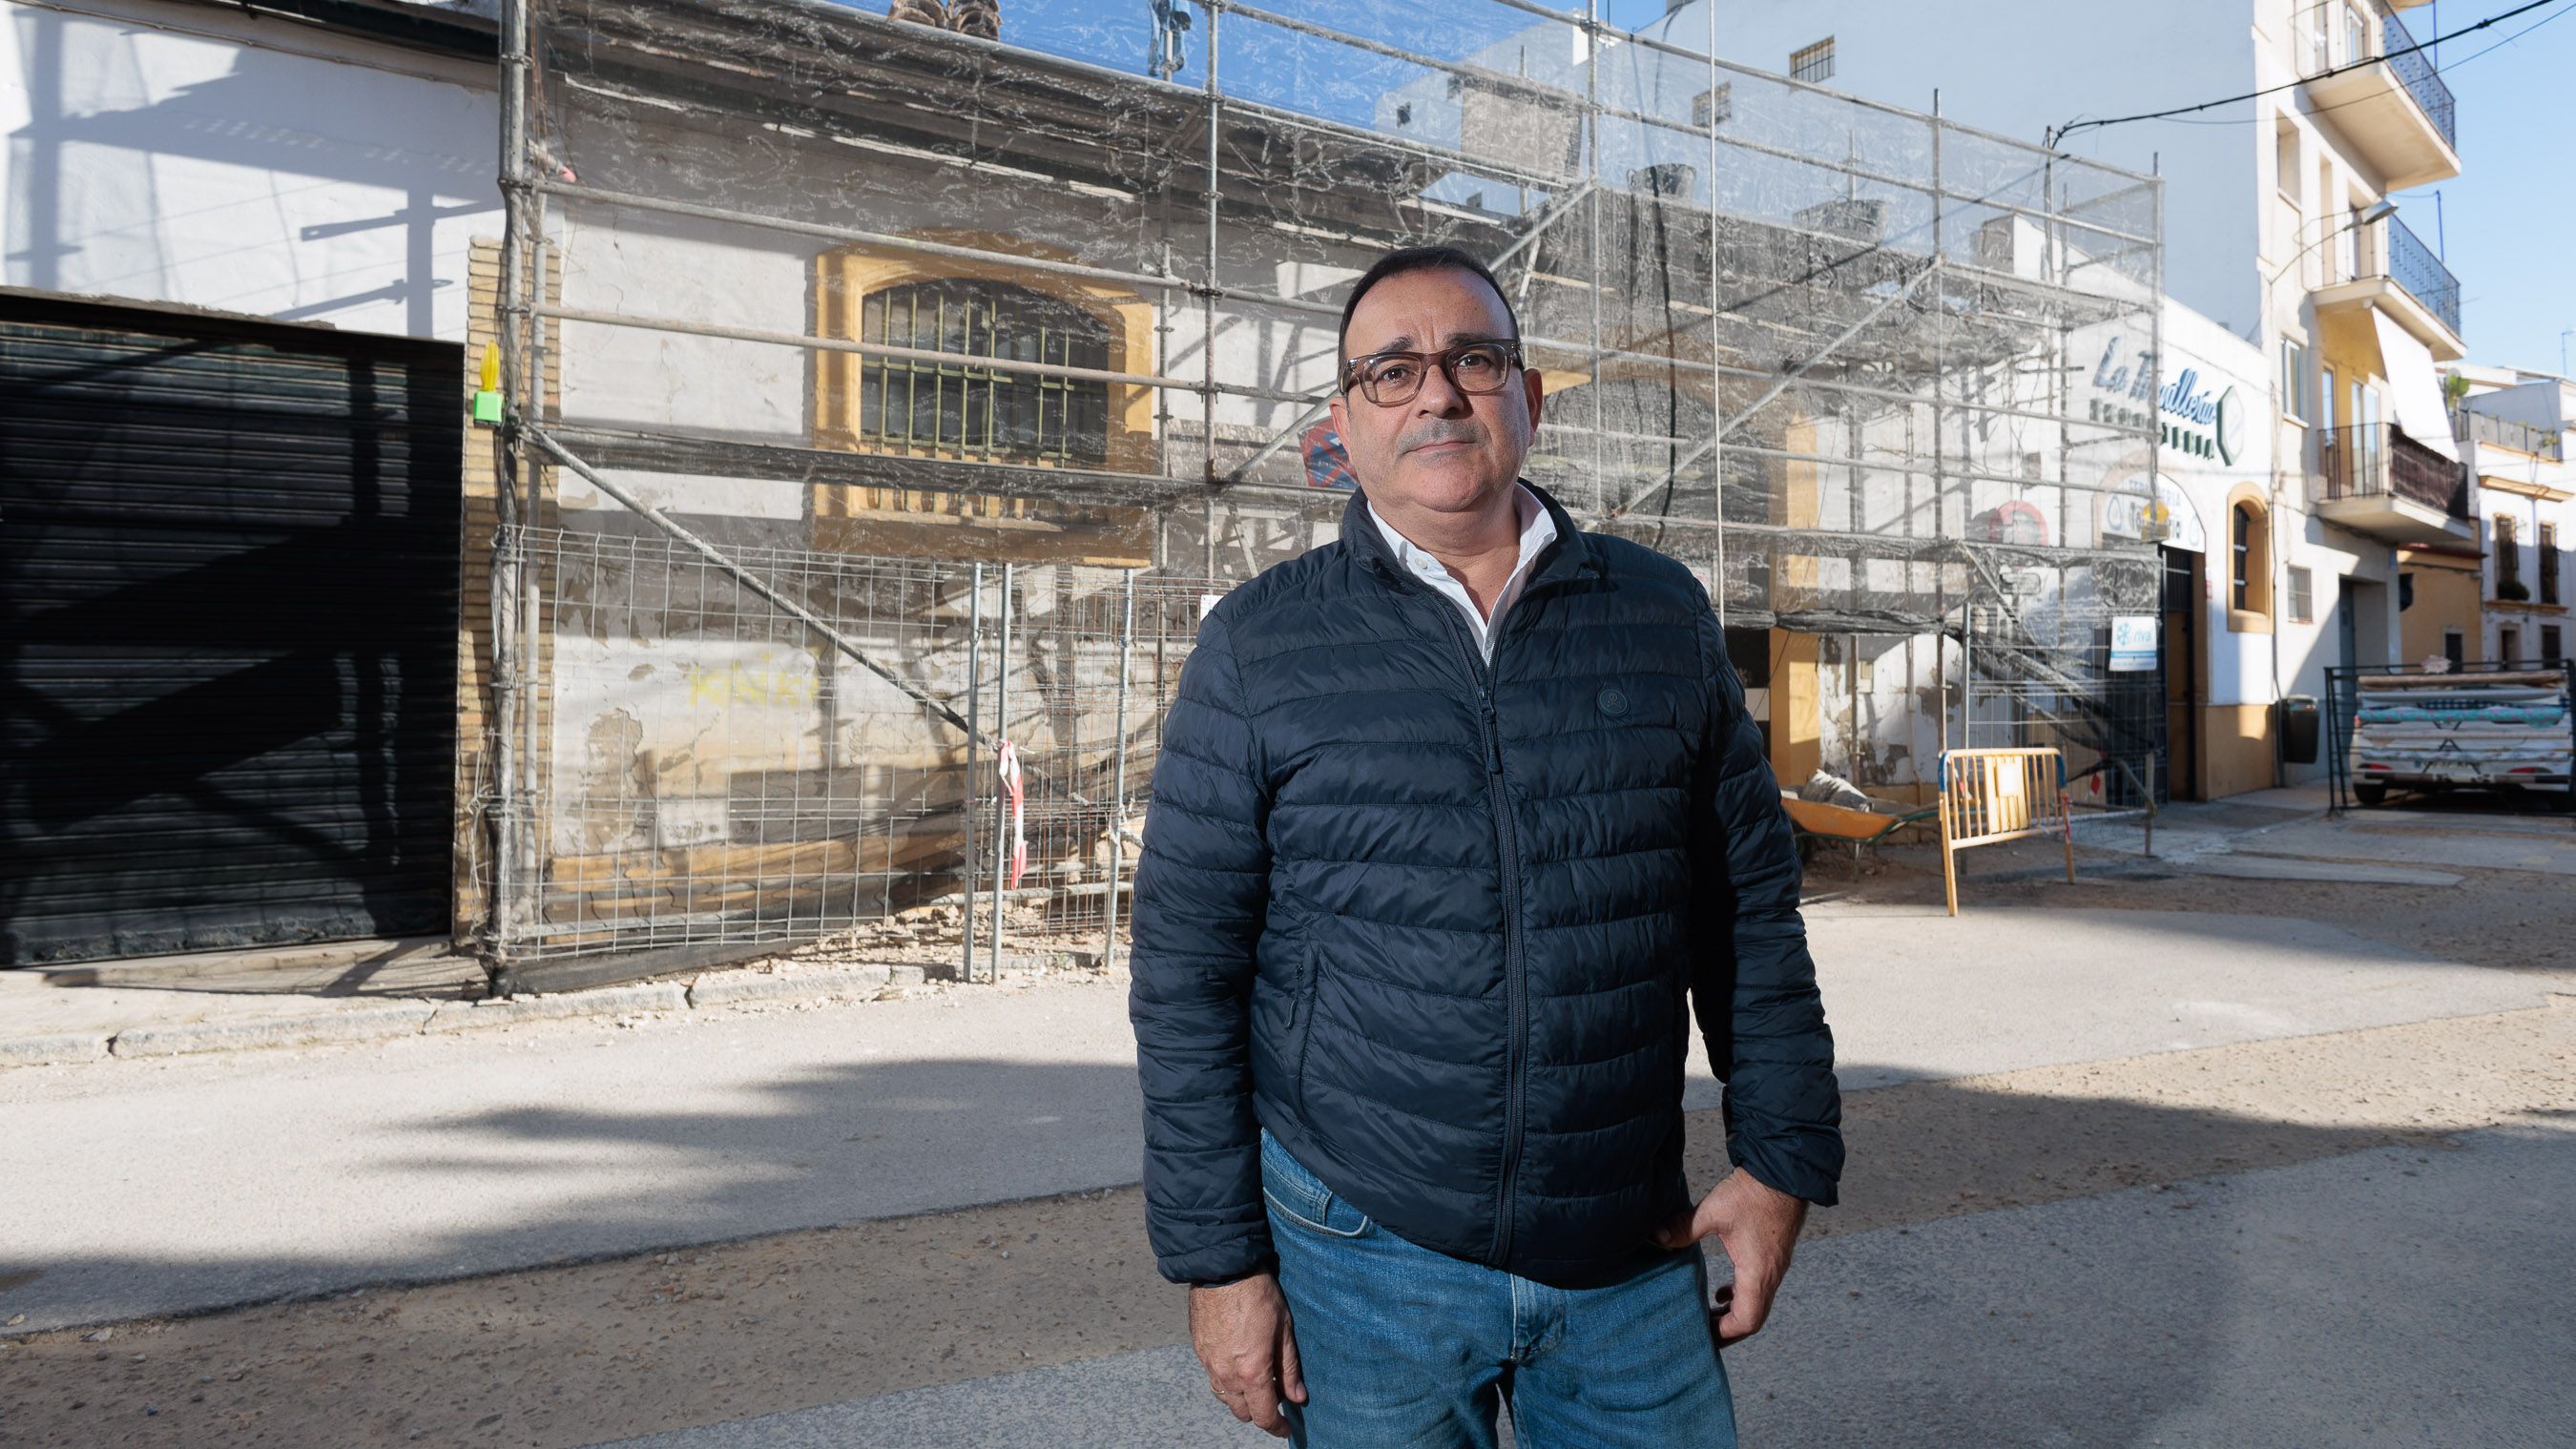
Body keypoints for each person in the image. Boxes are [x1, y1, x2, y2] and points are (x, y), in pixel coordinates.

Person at [1127, 244, 1842, 1448]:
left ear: (1531, 396)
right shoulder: (1259, 647)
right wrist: (1220, 1266)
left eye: (1475, 358)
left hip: (1627, 1249)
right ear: (1344, 426)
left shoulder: (1659, 616)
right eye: (1392, 371)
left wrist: (1781, 1165)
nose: (1439, 393)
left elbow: (1746, 916)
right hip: (1360, 1249)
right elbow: (1186, 974)